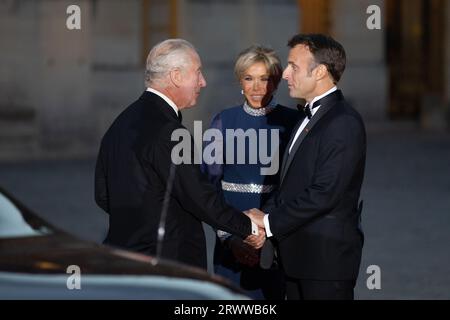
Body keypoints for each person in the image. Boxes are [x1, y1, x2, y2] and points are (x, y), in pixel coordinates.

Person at [94, 39, 264, 270]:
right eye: (198, 72)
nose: (203, 82)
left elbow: (103, 195)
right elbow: (199, 197)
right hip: (168, 264)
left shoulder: (120, 123)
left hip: (123, 259)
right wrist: (249, 227)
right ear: (176, 76)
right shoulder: (170, 132)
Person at [247, 34, 366, 300]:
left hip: (326, 265)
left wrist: (267, 222)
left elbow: (325, 193)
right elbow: (288, 184)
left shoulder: (344, 122)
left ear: (321, 71)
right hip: (296, 261)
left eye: (294, 66)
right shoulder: (303, 116)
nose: (285, 74)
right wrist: (264, 216)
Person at [202, 45, 299, 299]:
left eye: (265, 79)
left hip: (277, 237)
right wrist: (229, 236)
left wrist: (268, 230)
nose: (257, 87)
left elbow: (298, 186)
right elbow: (208, 187)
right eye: (249, 78)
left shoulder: (292, 123)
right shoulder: (222, 121)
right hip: (229, 236)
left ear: (276, 82)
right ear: (239, 81)